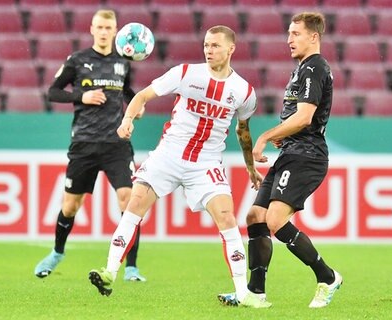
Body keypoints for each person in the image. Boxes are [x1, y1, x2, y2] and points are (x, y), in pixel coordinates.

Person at [87, 25, 271, 308]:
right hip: (169, 155)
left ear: (231, 49)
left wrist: (249, 167)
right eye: (206, 45)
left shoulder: (244, 92)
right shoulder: (186, 73)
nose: (209, 50)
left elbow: (242, 131)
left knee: (227, 218)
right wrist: (127, 121)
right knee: (135, 204)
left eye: (215, 46)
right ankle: (110, 272)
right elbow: (141, 97)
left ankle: (243, 293)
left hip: (206, 163)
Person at [218, 12, 343, 308]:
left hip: (307, 155)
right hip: (292, 151)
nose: (289, 39)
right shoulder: (302, 68)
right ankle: (255, 292)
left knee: (275, 219)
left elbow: (304, 117)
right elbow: (297, 117)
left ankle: (327, 277)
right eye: (288, 33)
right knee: (255, 217)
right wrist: (283, 135)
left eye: (296, 34)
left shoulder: (314, 67)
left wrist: (264, 137)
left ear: (314, 37)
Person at [34, 9, 146, 282]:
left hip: (116, 143)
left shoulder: (124, 62)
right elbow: (53, 92)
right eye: (100, 27)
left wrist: (136, 106)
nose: (105, 31)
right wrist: (82, 96)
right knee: (71, 206)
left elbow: (129, 93)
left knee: (129, 200)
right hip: (84, 143)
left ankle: (131, 267)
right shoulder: (78, 60)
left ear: (116, 31)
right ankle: (57, 252)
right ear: (92, 29)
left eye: (109, 27)